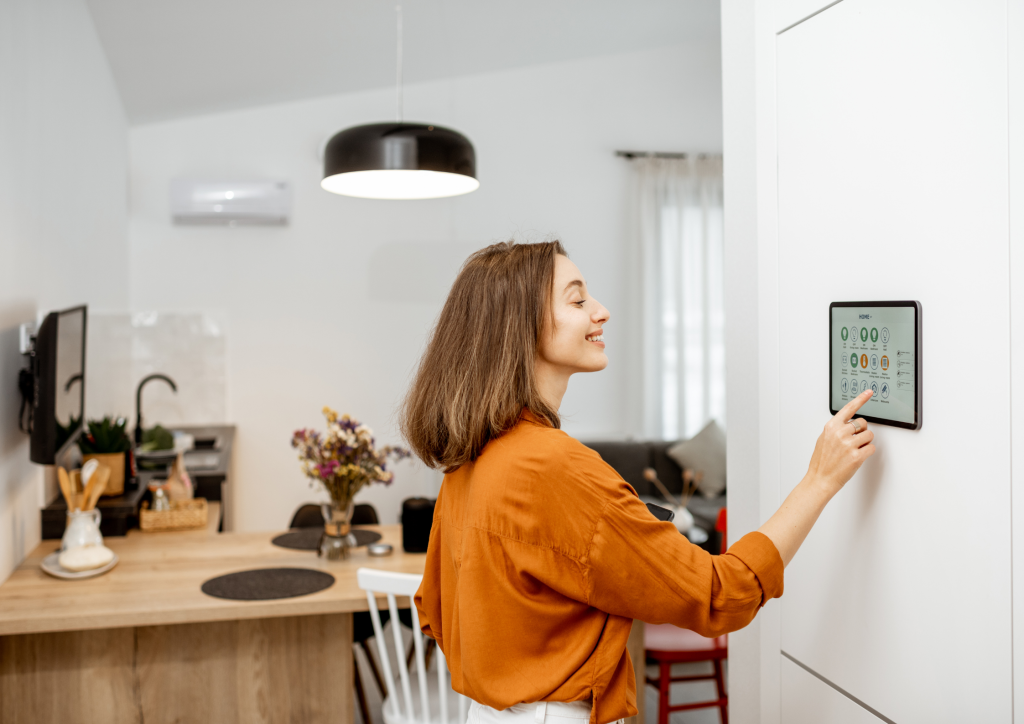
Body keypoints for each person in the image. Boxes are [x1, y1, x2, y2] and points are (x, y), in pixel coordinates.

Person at [403, 240, 875, 724]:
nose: (601, 312)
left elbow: (435, 612)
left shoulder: (469, 457)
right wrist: (818, 480)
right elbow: (719, 594)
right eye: (578, 299)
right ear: (520, 325)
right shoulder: (553, 466)